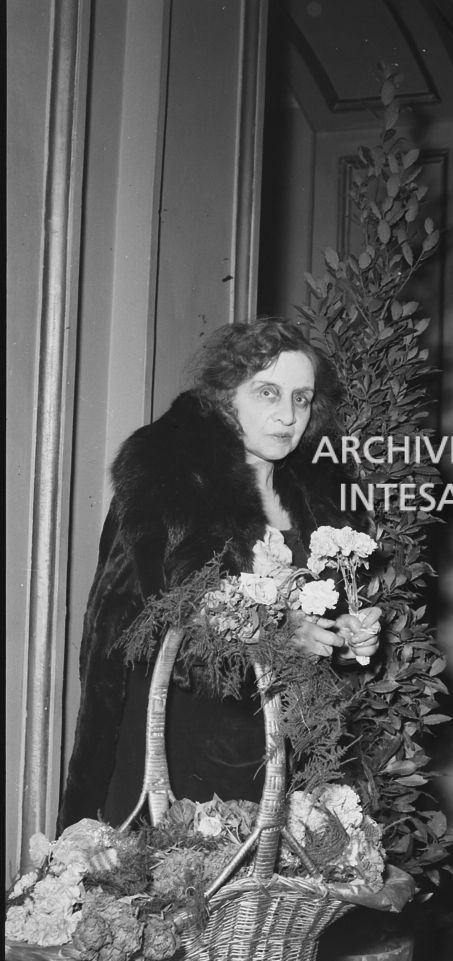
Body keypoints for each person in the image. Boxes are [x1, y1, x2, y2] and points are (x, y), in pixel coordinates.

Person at [58, 319, 381, 832]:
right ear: (226, 394)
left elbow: (316, 626)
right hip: (185, 747)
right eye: (267, 392)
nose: (287, 414)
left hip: (287, 749)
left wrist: (342, 636)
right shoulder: (168, 481)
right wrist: (275, 633)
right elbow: (126, 628)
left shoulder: (321, 494)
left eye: (302, 398)